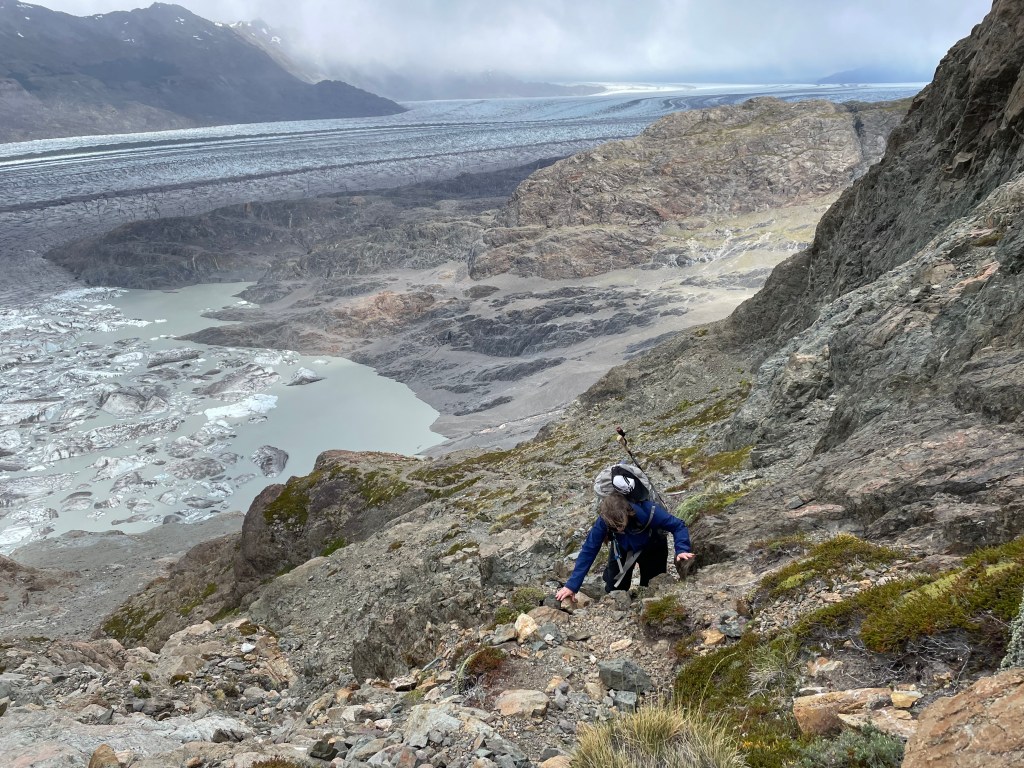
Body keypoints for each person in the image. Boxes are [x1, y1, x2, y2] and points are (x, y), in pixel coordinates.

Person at [555, 481, 694, 602]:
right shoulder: (604, 520)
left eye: (620, 525)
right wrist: (571, 586)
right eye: (614, 527)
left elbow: (678, 525)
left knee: (652, 588)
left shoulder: (649, 511)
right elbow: (589, 549)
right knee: (614, 589)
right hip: (621, 550)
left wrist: (682, 549)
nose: (618, 528)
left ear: (628, 512)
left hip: (654, 548)